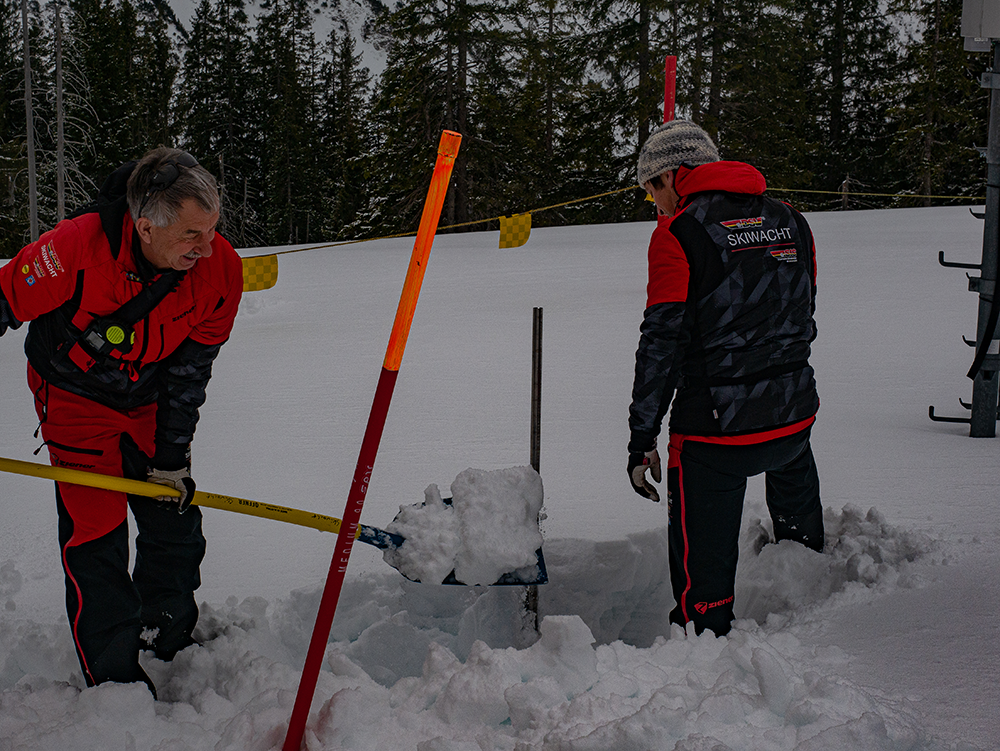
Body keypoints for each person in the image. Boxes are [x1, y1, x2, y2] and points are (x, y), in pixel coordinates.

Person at [0, 147, 243, 695]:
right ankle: (112, 677)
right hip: (74, 396)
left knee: (172, 517)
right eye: (190, 236)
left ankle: (166, 632)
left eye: (212, 229)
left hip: (152, 394)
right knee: (96, 533)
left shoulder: (220, 269)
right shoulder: (75, 249)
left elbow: (189, 375)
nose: (207, 248)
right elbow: (3, 300)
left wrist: (171, 459)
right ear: (145, 228)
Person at [626, 119, 823, 637]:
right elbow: (803, 318)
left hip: (716, 436)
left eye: (652, 190)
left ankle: (703, 632)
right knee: (806, 557)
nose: (656, 203)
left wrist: (641, 437)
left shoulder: (677, 235)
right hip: (793, 422)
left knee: (703, 598)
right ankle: (818, 602)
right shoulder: (792, 222)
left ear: (672, 175)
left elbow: (661, 346)